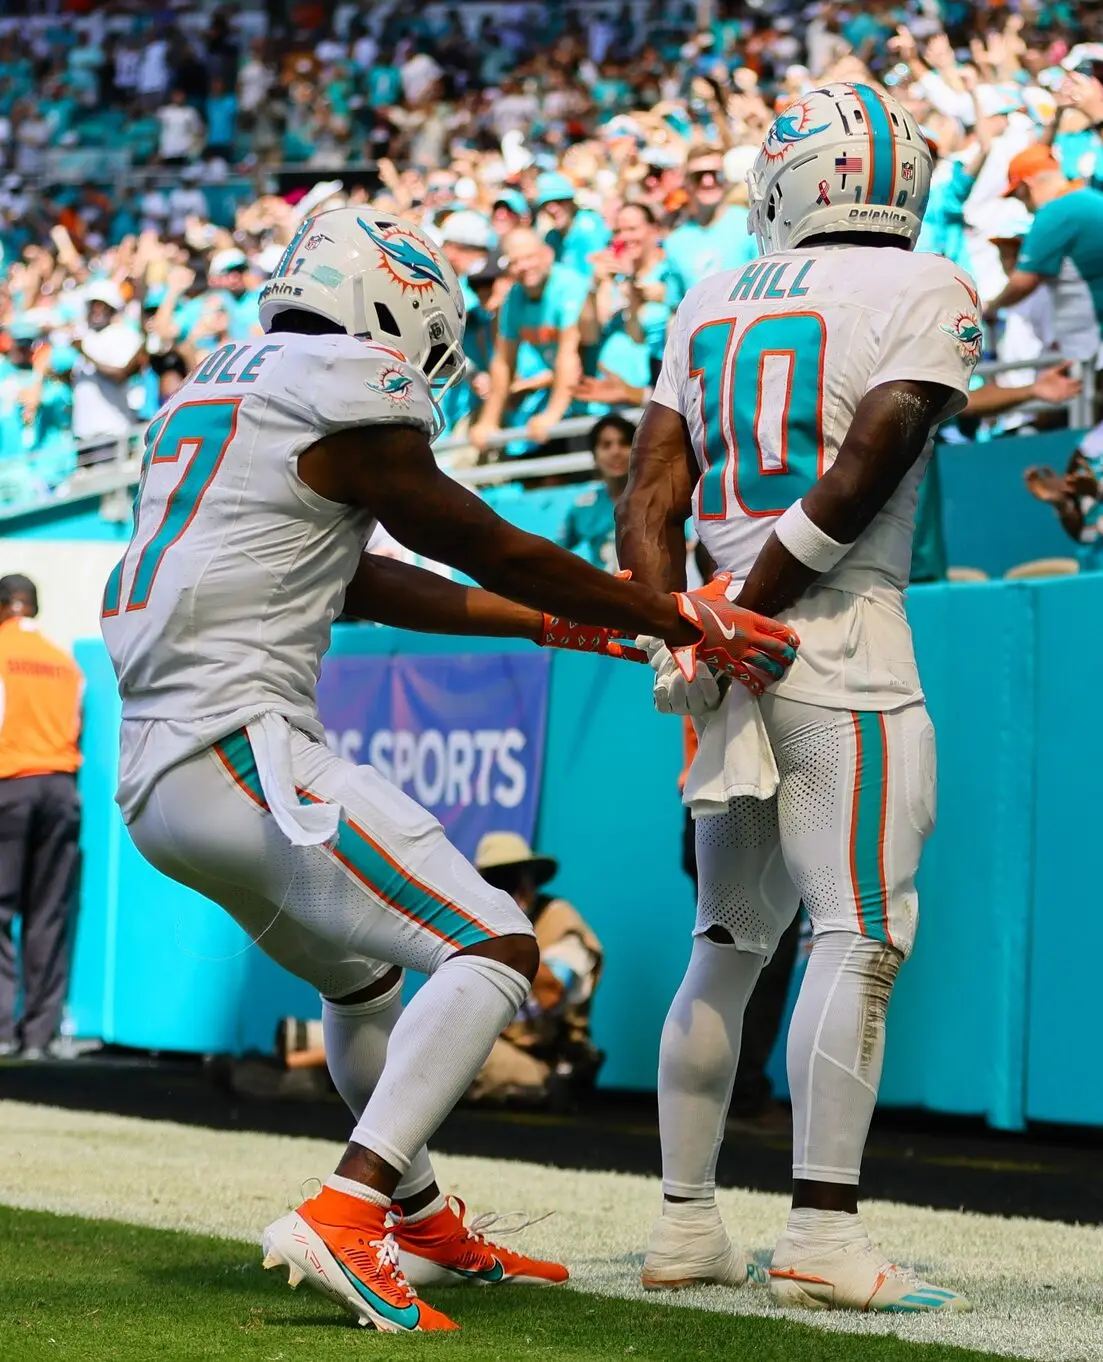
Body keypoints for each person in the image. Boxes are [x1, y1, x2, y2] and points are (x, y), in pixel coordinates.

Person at [99, 206, 797, 1333]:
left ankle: (414, 1217)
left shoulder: (218, 388)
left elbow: (362, 581)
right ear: (392, 305)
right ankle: (348, 1207)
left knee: (362, 983)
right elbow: (469, 535)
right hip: (236, 747)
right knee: (494, 942)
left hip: (158, 774)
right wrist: (664, 611)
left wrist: (557, 627)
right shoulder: (342, 384)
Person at [617, 82, 977, 1313]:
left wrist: (686, 619)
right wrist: (747, 606)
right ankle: (820, 1231)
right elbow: (873, 449)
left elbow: (649, 488)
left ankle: (684, 1225)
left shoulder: (709, 290)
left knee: (725, 941)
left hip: (724, 645)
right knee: (859, 932)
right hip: (833, 639)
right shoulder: (923, 285)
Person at [0, 574, 83, 1061]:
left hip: (11, 784)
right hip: (61, 789)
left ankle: (2, 1031)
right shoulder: (64, 662)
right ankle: (39, 1036)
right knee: (47, 915)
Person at [467, 832, 603, 1109]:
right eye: (491, 882)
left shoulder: (558, 921)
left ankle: (553, 1085)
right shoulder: (470, 931)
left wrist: (507, 936)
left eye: (509, 879)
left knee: (462, 1061)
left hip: (541, 1055)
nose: (501, 891)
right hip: (492, 1044)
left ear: (528, 883)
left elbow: (550, 993)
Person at [469, 228, 590, 453]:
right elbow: (503, 360)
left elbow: (569, 353)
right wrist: (489, 420)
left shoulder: (569, 284)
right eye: (515, 262)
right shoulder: (515, 295)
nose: (524, 267)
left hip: (600, 396)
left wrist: (551, 415)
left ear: (547, 255)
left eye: (529, 257)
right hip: (571, 400)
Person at [983, 144, 1103, 363]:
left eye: (1018, 196)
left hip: (1095, 346)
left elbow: (1024, 283)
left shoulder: (1056, 211)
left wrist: (991, 306)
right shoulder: (1091, 199)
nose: (1024, 206)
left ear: (1026, 185)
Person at [664, 143, 759, 305]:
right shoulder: (675, 242)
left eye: (716, 174)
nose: (708, 182)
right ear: (686, 183)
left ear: (727, 180)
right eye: (698, 176)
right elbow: (676, 308)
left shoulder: (751, 224)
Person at [560, 414, 633, 570]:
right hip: (602, 592)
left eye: (624, 443)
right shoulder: (583, 507)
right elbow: (556, 552)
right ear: (594, 456)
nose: (616, 451)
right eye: (606, 445)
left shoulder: (660, 499)